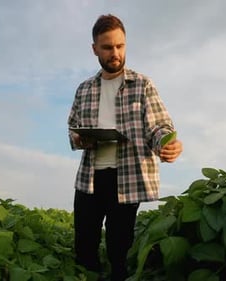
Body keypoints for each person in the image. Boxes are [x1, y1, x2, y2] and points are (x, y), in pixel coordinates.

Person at [67, 14, 183, 281]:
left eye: (120, 46)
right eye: (107, 47)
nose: (115, 53)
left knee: (120, 250)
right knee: (84, 245)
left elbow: (159, 126)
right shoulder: (84, 89)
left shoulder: (142, 84)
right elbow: (73, 127)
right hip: (90, 178)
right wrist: (79, 138)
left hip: (127, 176)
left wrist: (167, 144)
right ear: (95, 49)